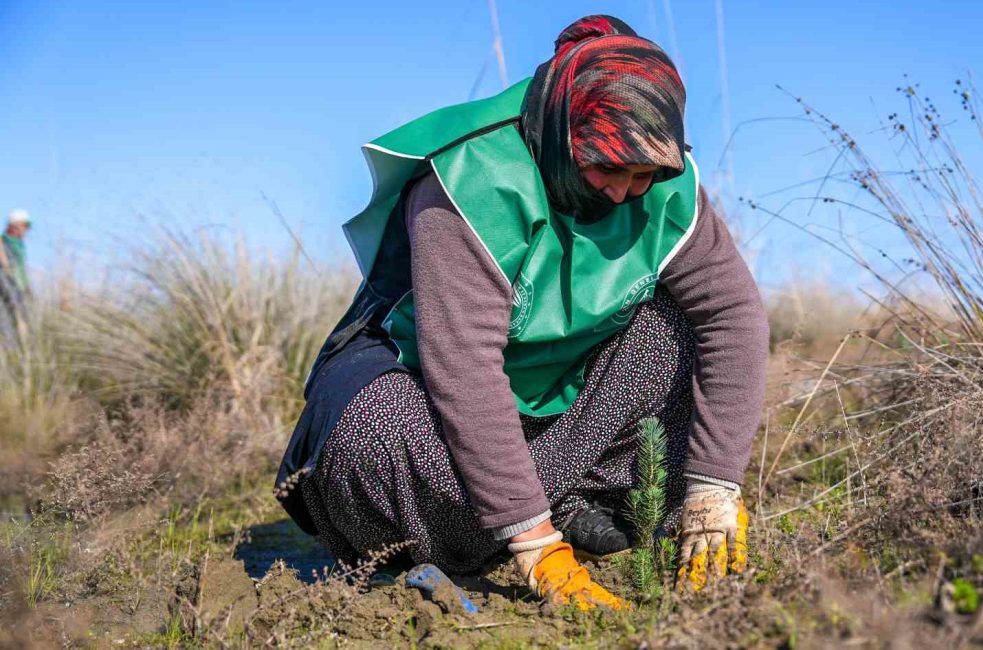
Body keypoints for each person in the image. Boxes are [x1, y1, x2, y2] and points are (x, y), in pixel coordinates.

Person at [276, 15, 768, 610]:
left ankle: (556, 504)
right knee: (376, 431)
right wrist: (539, 550)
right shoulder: (469, 176)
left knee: (678, 333)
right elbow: (463, 368)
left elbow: (733, 318)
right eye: (607, 168)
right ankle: (520, 522)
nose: (623, 191)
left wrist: (714, 486)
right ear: (564, 130)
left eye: (643, 175)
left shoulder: (667, 182)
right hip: (425, 393)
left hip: (550, 409)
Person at [0, 209, 32, 336]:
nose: (27, 230)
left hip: (19, 289)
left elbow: (20, 270)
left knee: (23, 322)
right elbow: (6, 270)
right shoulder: (2, 242)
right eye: (25, 226)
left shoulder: (19, 245)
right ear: (15, 226)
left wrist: (26, 287)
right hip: (8, 289)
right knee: (9, 323)